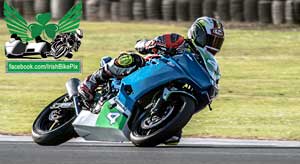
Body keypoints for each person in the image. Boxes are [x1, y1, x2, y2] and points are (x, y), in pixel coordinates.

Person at [78, 17, 225, 143]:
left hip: (171, 85)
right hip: (146, 70)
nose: (213, 44)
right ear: (197, 34)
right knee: (131, 59)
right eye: (211, 39)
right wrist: (152, 44)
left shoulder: (209, 63)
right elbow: (140, 44)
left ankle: (158, 118)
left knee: (173, 138)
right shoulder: (179, 42)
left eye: (217, 41)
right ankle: (92, 81)